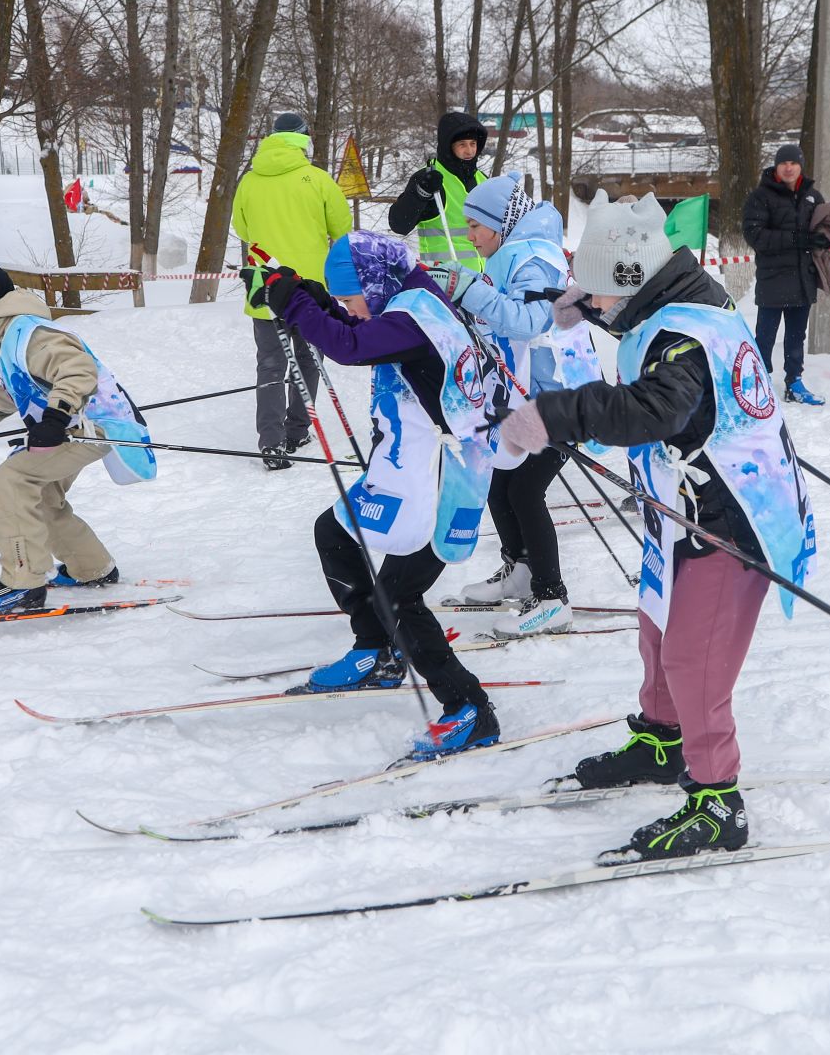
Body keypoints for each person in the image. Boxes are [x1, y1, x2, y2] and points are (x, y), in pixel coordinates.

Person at [496, 196, 815, 860]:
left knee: (693, 659)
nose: (598, 309)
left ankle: (716, 799)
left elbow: (650, 409)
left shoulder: (685, 342)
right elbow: (627, 305)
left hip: (730, 522)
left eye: (603, 297)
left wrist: (556, 415)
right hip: (680, 509)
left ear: (635, 283)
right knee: (657, 627)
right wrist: (577, 299)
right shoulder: (674, 295)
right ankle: (663, 740)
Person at [255, 231, 506, 759]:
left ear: (374, 282)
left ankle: (469, 708)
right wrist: (319, 301)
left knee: (400, 593)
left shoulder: (417, 315)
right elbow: (365, 330)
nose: (351, 307)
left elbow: (352, 346)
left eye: (351, 296)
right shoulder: (409, 300)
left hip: (443, 477)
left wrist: (298, 304)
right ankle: (376, 651)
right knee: (335, 531)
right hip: (410, 470)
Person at [440, 172, 603, 634]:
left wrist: (471, 291)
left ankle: (553, 598)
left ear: (499, 223)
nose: (469, 237)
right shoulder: (512, 253)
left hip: (562, 397)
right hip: (526, 395)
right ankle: (521, 571)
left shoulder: (533, 258)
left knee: (526, 489)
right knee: (501, 481)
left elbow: (530, 322)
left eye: (475, 227)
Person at [0, 259, 156, 612]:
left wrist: (56, 417)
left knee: (13, 480)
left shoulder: (31, 334)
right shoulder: (3, 342)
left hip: (93, 426)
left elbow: (77, 370)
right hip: (70, 427)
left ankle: (22, 583)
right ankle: (90, 567)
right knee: (40, 495)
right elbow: (3, 390)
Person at [232, 111, 352, 470]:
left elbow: (241, 228)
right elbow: (342, 227)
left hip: (265, 288)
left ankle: (271, 441)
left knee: (270, 365)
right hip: (308, 292)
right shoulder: (317, 179)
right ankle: (298, 429)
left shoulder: (249, 182)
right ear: (303, 140)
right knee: (308, 360)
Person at [741, 144, 830, 405]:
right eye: (784, 163)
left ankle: (794, 383)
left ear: (801, 166)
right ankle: (760, 382)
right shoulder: (761, 197)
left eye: (793, 163)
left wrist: (825, 241)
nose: (789, 167)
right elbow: (754, 235)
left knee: (796, 336)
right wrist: (797, 238)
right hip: (772, 279)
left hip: (803, 279)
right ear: (777, 167)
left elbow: (824, 231)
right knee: (765, 336)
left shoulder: (813, 196)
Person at [388, 110, 490, 271]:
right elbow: (399, 224)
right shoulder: (428, 179)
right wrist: (420, 194)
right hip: (444, 282)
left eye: (473, 143)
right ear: (449, 146)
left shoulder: (483, 180)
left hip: (483, 281)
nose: (470, 151)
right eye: (462, 144)